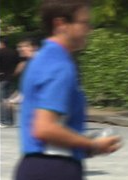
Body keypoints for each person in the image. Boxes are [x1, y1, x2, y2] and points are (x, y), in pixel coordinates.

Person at [14, 1, 122, 179]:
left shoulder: (40, 58)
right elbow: (44, 128)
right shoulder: (60, 65)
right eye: (85, 23)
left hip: (35, 164)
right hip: (54, 169)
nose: (90, 29)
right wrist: (92, 144)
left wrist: (84, 146)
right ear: (60, 24)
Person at [8, 38, 40, 104]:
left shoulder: (39, 60)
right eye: (19, 47)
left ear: (34, 47)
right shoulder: (28, 62)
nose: (19, 49)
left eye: (24, 46)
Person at [0, 37, 20, 128]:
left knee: (2, 100)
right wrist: (14, 73)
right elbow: (19, 64)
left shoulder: (0, 52)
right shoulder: (14, 52)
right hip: (11, 78)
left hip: (2, 79)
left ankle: (4, 121)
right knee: (9, 100)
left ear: (2, 43)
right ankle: (11, 121)